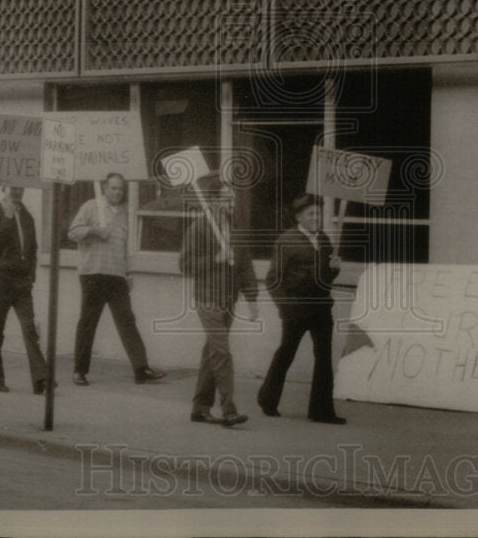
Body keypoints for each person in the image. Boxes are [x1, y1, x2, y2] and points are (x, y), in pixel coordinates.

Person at [68, 173, 165, 386]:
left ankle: (141, 369)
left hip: (117, 275)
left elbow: (127, 247)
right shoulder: (91, 206)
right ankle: (79, 371)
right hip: (93, 273)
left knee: (127, 321)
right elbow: (72, 232)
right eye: (114, 188)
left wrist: (128, 273)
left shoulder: (125, 213)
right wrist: (93, 230)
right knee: (88, 323)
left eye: (121, 189)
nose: (118, 192)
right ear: (104, 188)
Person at [258, 193, 346, 424]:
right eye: (310, 214)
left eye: (318, 213)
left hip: (321, 308)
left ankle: (321, 411)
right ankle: (267, 399)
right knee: (286, 353)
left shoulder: (325, 240)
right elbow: (272, 280)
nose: (315, 218)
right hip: (296, 310)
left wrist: (334, 269)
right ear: (299, 216)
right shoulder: (286, 241)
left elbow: (325, 278)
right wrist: (285, 309)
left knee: (324, 358)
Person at [179, 179, 258, 427]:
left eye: (233, 198)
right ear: (213, 201)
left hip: (228, 299)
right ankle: (229, 410)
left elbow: (245, 266)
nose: (232, 202)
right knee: (222, 352)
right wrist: (215, 258)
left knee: (212, 353)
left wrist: (252, 299)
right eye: (226, 198)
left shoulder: (236, 229)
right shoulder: (200, 228)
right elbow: (185, 265)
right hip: (208, 298)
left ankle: (200, 408)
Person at [0, 186, 50, 394]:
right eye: (13, 188)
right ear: (4, 188)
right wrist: (8, 217)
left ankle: (41, 379)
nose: (17, 192)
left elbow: (33, 248)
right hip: (1, 280)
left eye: (20, 188)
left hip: (22, 283)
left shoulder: (27, 215)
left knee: (29, 329)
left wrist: (31, 276)